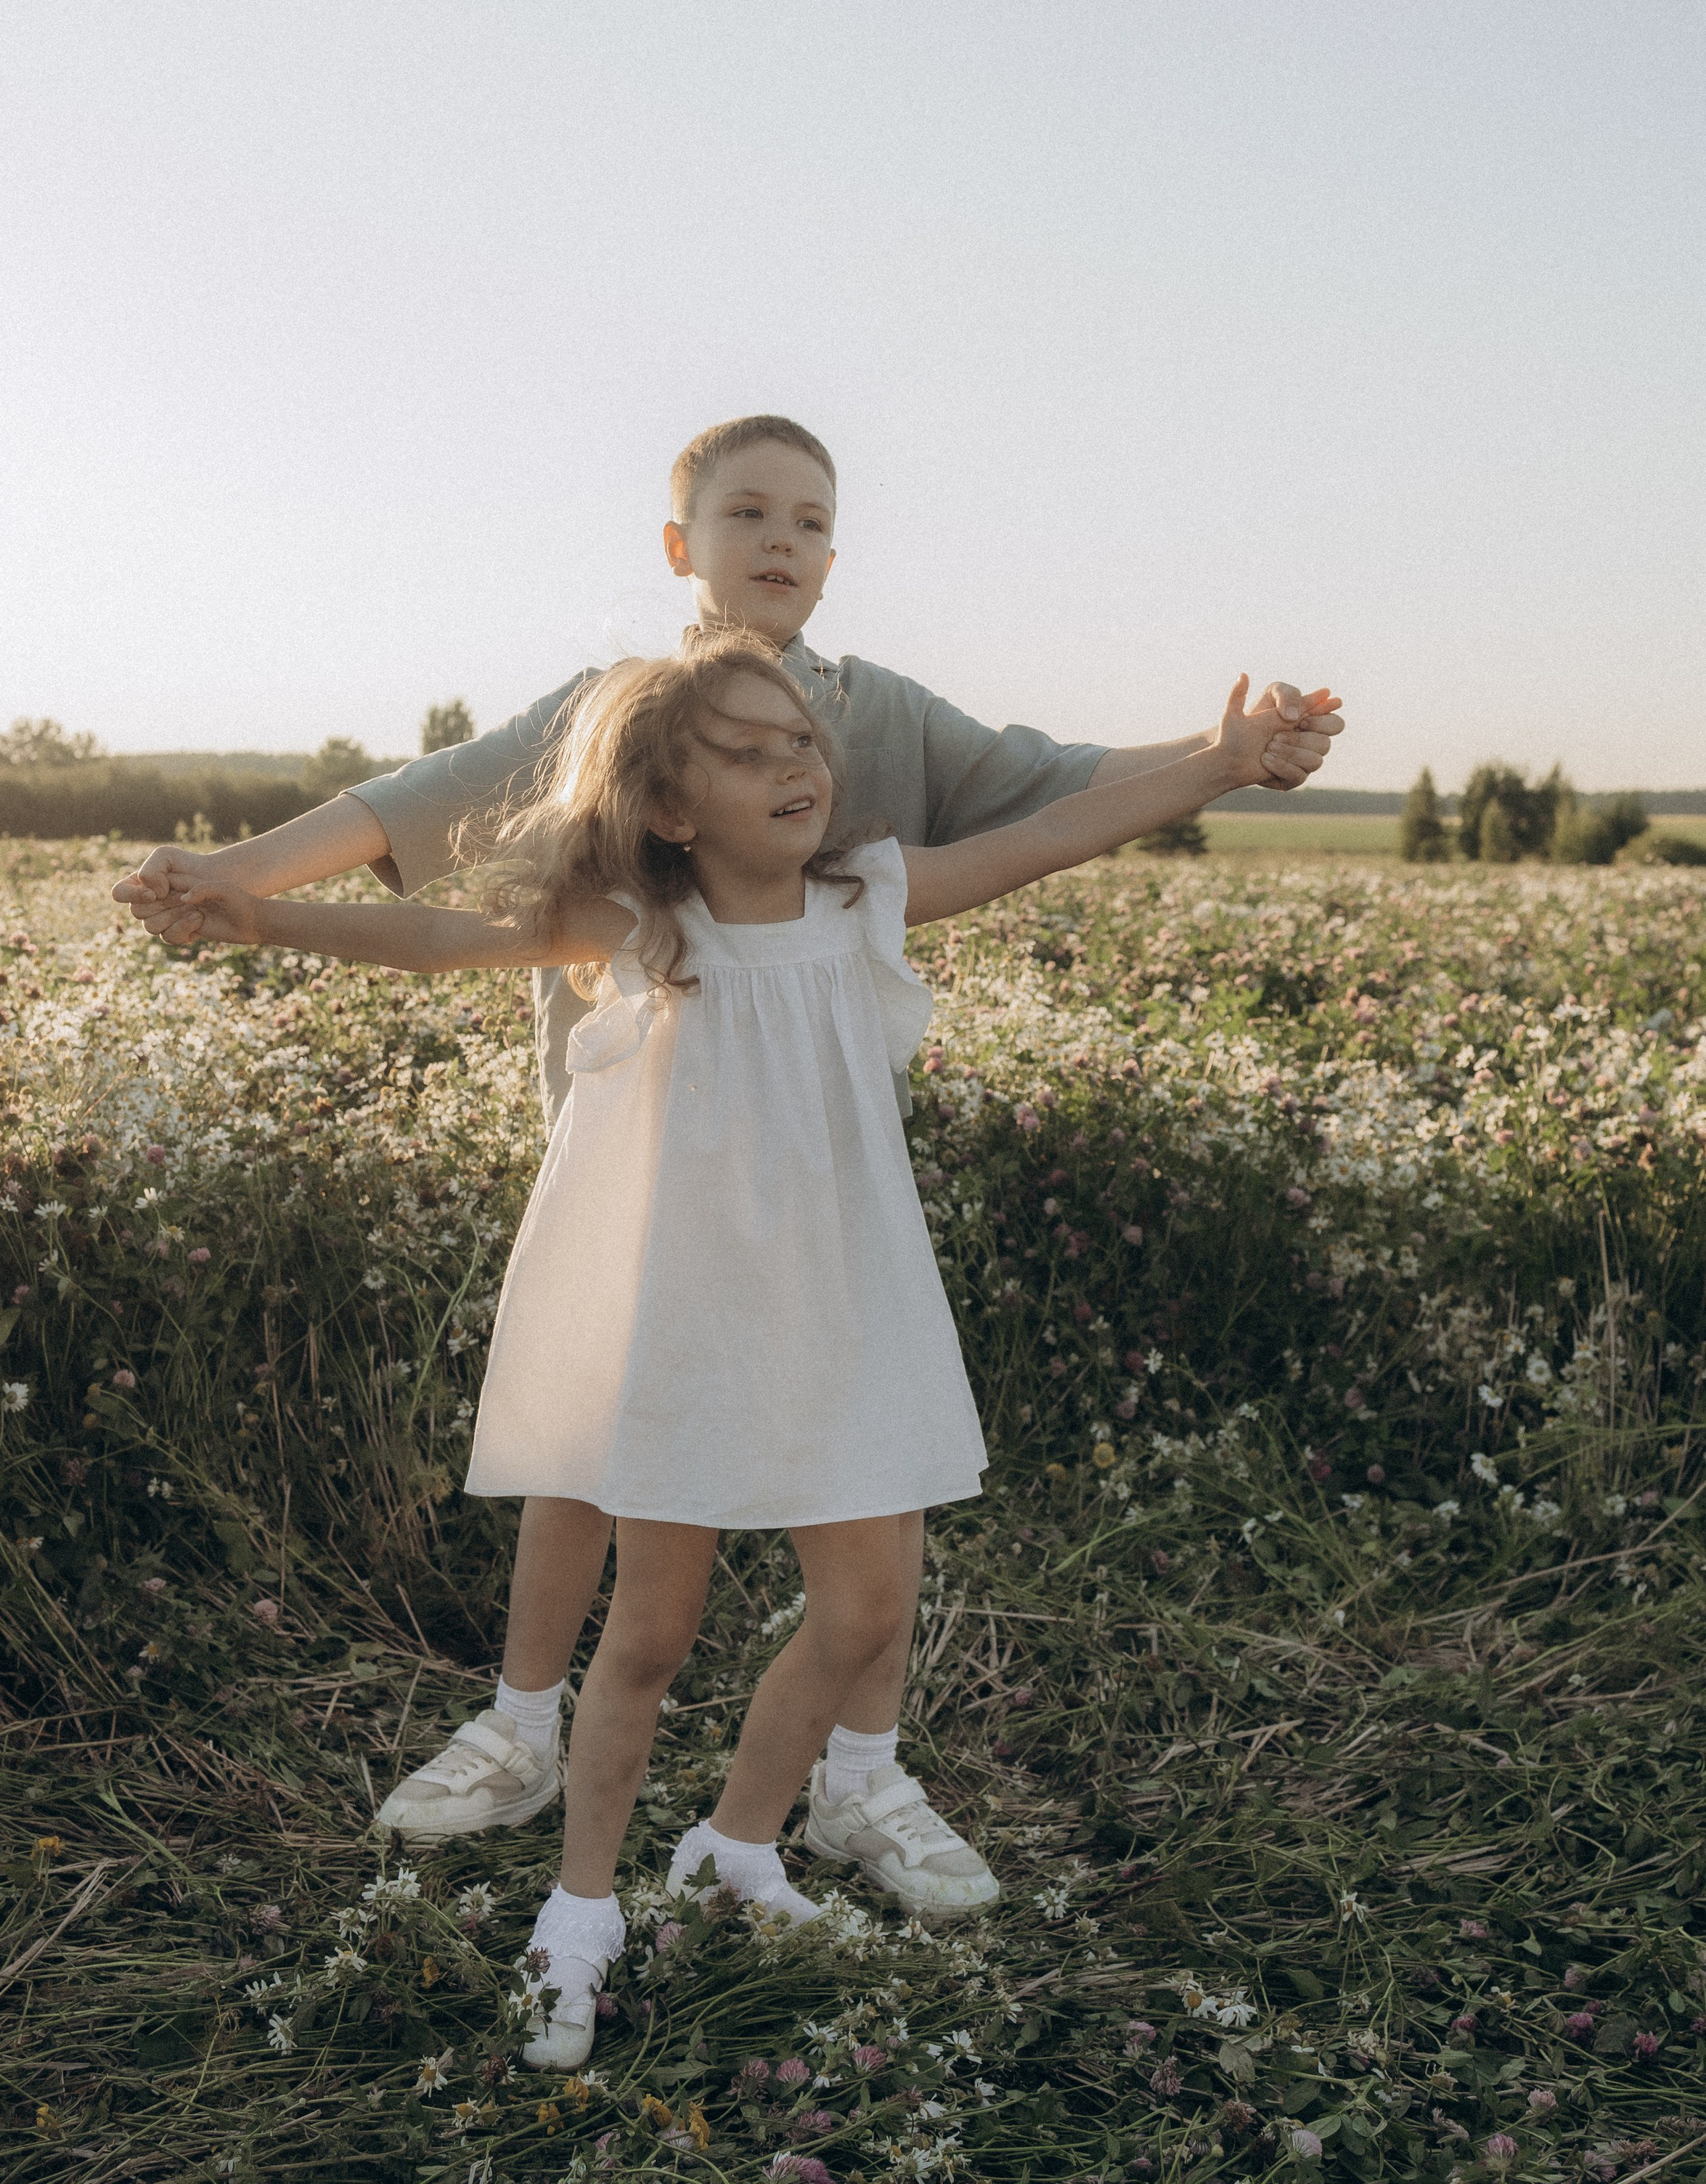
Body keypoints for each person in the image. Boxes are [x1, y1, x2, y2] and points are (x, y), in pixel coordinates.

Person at [114, 414, 1344, 1907]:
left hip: (818, 1202)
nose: (781, 541)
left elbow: (1054, 793)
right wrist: (239, 886)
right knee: (600, 1458)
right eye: (747, 511)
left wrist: (1228, 758)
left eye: (811, 520)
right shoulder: (612, 716)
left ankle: (852, 1782)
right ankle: (523, 1735)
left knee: (860, 1465)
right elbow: (421, 833)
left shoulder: (874, 731)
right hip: (642, 1168)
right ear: (677, 544)